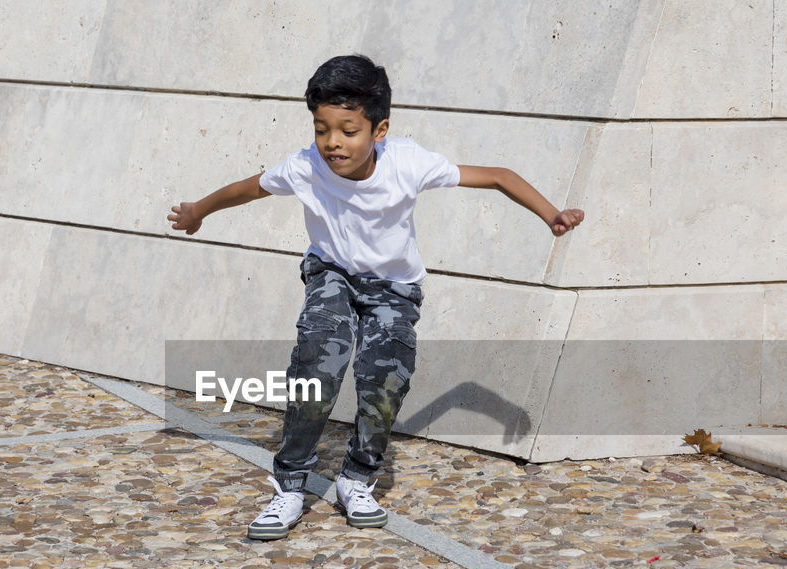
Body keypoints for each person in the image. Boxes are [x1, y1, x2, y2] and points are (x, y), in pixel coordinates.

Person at [168, 54, 583, 540]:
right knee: (318, 364)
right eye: (322, 129)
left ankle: (357, 478)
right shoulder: (304, 167)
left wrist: (550, 214)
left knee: (385, 378)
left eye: (348, 130)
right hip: (332, 273)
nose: (332, 144)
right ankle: (289, 487)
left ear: (379, 130)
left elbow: (498, 175)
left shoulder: (408, 163)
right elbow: (246, 189)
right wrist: (198, 211)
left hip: (393, 287)